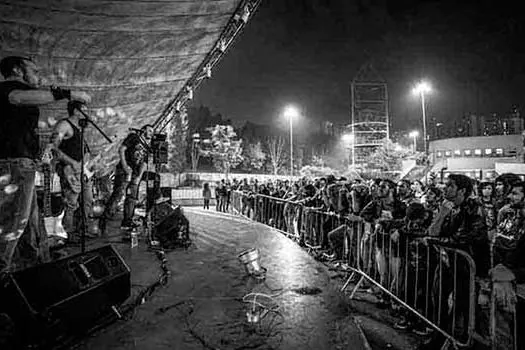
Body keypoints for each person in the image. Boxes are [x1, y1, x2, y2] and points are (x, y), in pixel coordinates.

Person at [0, 56, 90, 274]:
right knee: (14, 224)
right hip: (14, 164)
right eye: (34, 69)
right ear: (17, 69)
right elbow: (20, 98)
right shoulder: (8, 90)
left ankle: (34, 268)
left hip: (24, 163)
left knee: (31, 221)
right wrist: (68, 94)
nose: (38, 75)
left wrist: (39, 153)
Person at [48, 101, 97, 242]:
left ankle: (83, 229)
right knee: (71, 203)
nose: (87, 114)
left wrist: (89, 164)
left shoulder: (80, 128)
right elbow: (53, 147)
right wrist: (72, 163)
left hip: (82, 171)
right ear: (76, 111)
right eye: (84, 111)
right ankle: (69, 233)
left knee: (87, 201)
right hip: (69, 170)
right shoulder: (64, 125)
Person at [102, 125, 153, 231]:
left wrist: (139, 176)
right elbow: (121, 149)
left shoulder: (148, 146)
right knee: (118, 195)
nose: (151, 133)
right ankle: (104, 221)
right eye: (150, 130)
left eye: (152, 131)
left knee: (132, 197)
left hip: (134, 173)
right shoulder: (134, 137)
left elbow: (145, 162)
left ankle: (127, 222)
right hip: (123, 170)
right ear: (143, 130)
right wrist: (125, 166)